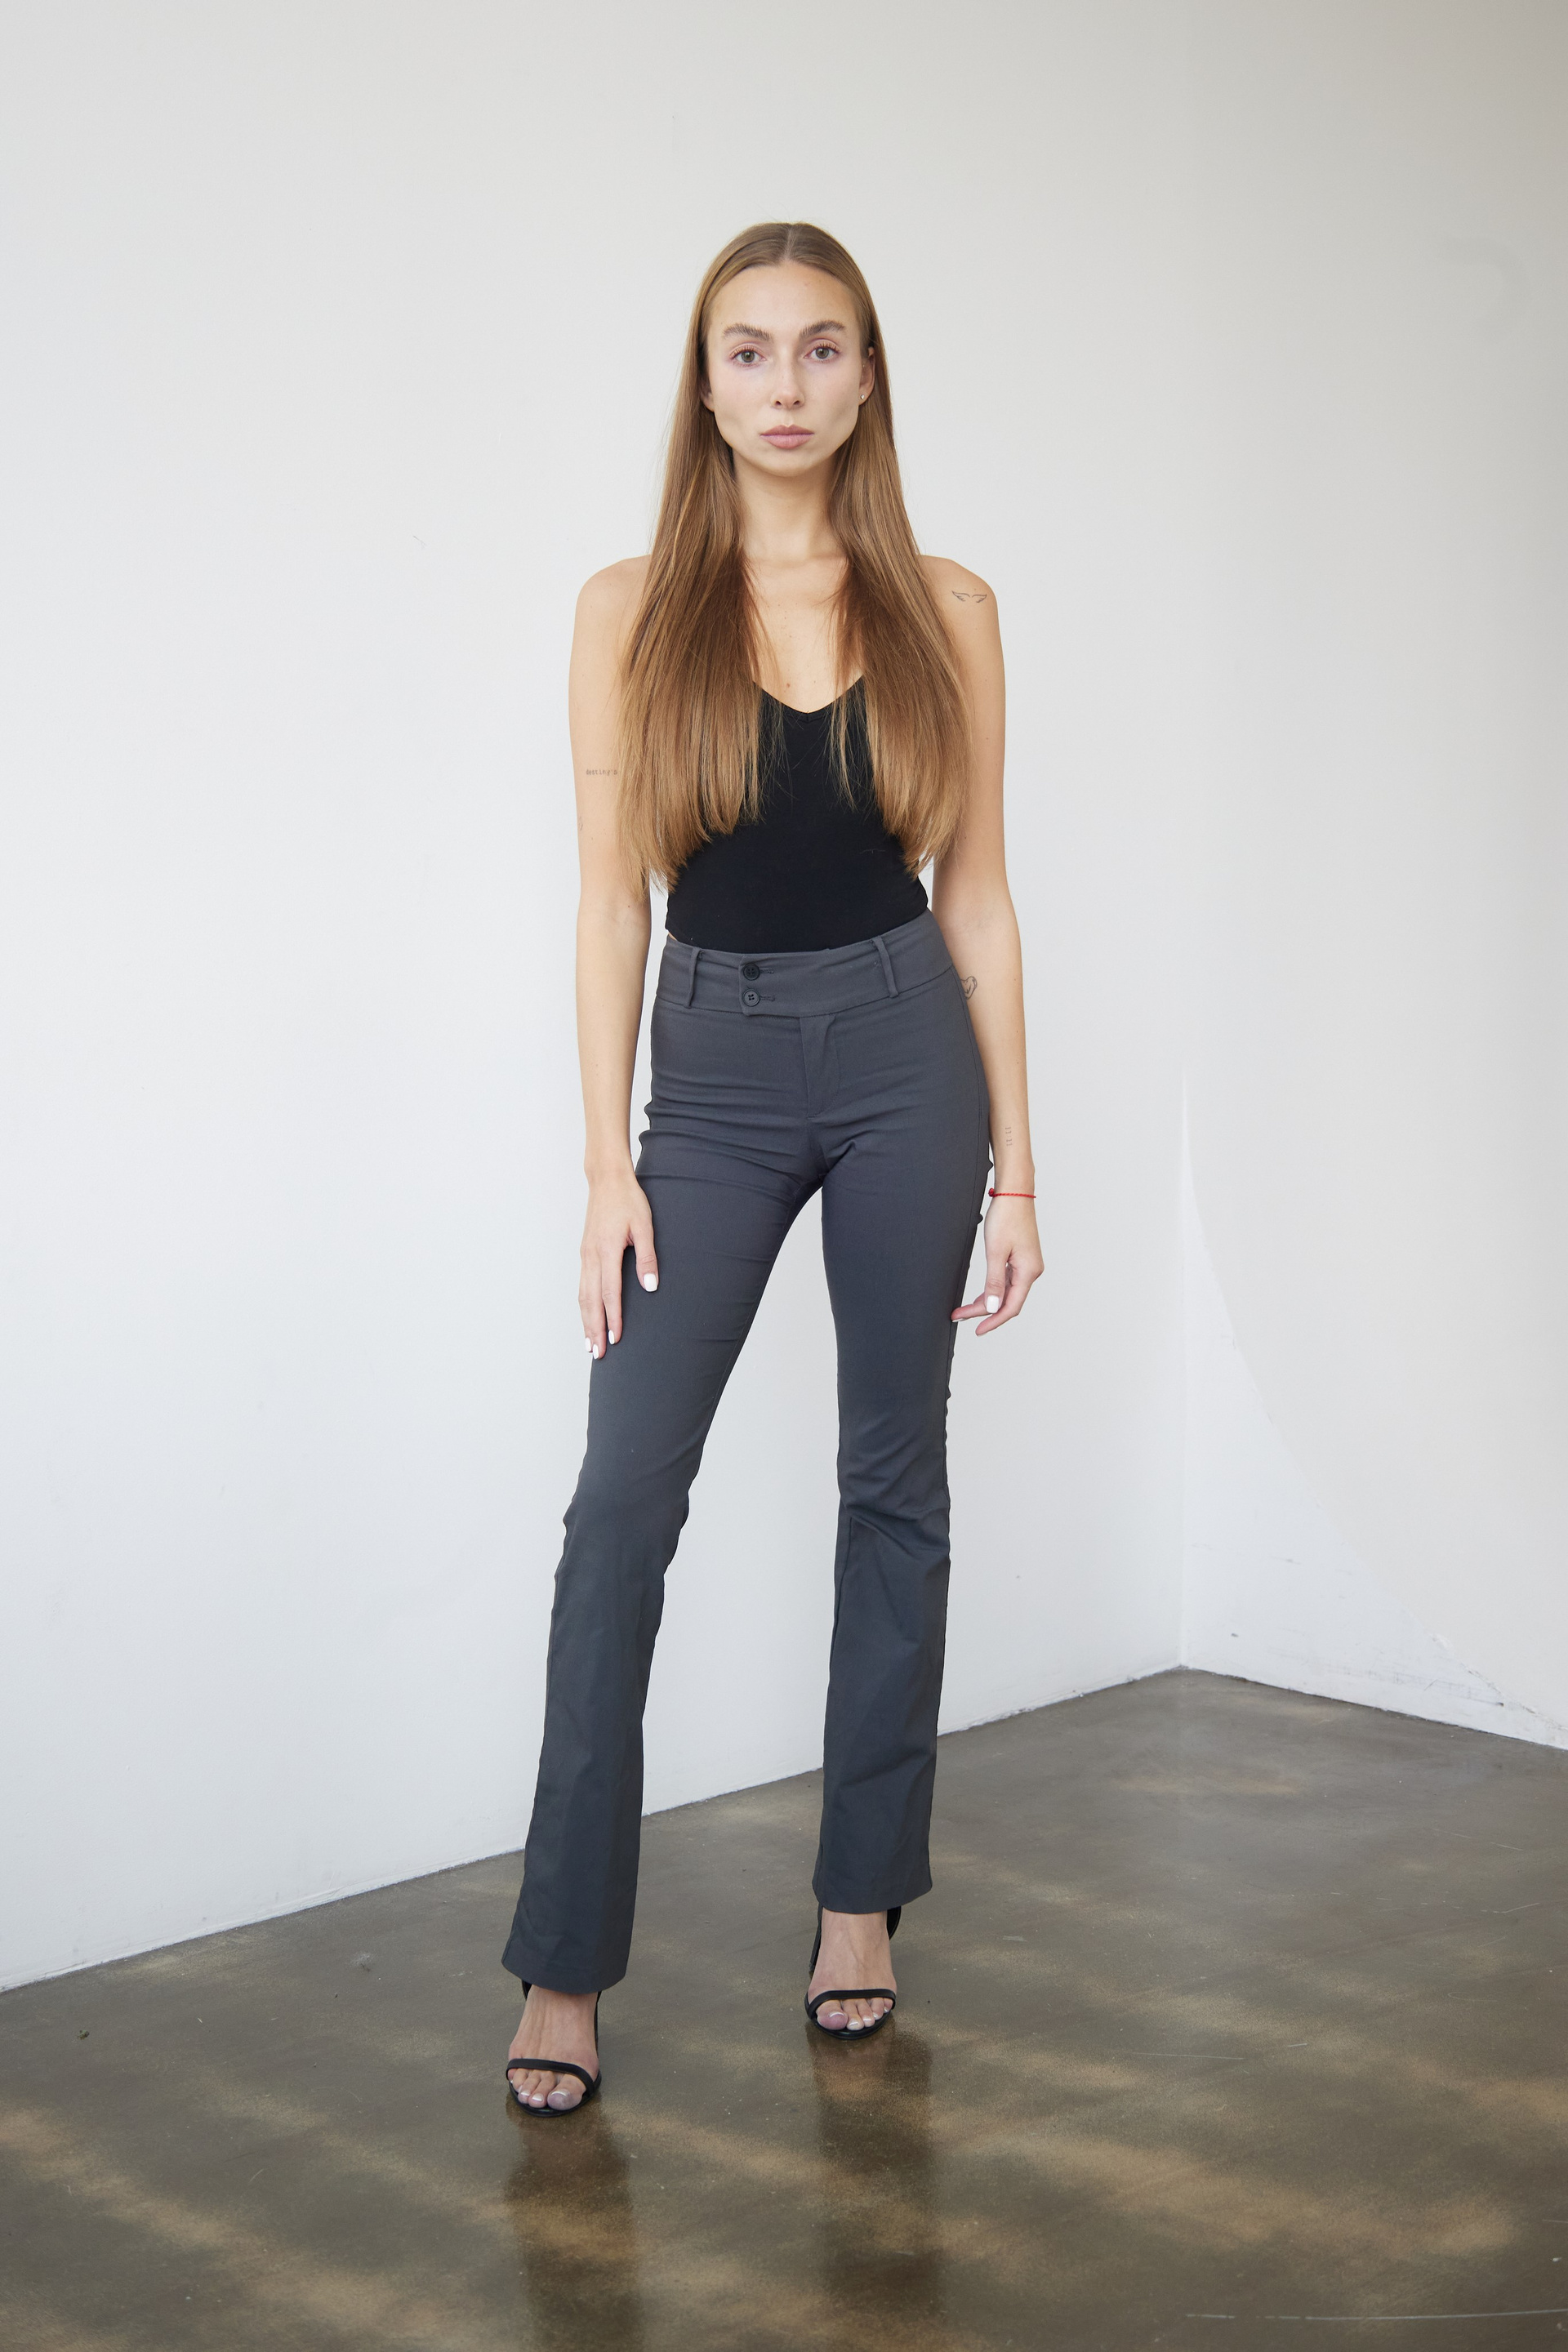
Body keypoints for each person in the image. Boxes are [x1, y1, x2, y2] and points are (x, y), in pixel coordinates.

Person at [503, 221, 1041, 2114]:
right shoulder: (628, 606)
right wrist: (607, 1161)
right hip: (713, 1077)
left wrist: (1022, 1168)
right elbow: (608, 904)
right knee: (620, 1503)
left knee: (893, 1479)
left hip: (907, 1055)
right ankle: (563, 1958)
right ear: (706, 380)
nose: (787, 384)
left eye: (822, 348)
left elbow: (978, 901)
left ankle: (861, 1903)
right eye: (749, 350)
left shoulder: (949, 606)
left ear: (867, 376)